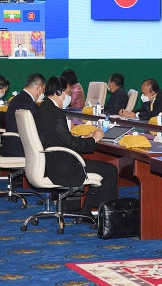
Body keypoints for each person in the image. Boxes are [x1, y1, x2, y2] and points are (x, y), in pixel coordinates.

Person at [33, 76, 118, 220]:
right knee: (110, 170)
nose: (70, 97)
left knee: (101, 168)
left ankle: (86, 211)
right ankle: (106, 219)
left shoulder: (43, 108)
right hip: (61, 166)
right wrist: (94, 139)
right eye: (68, 93)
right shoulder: (55, 113)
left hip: (49, 161)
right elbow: (70, 144)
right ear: (59, 92)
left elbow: (62, 139)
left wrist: (84, 138)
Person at [0, 73, 46, 158]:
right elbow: (38, 131)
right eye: (43, 91)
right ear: (38, 88)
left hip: (9, 146)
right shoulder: (30, 105)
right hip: (21, 149)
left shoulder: (15, 99)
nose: (42, 94)